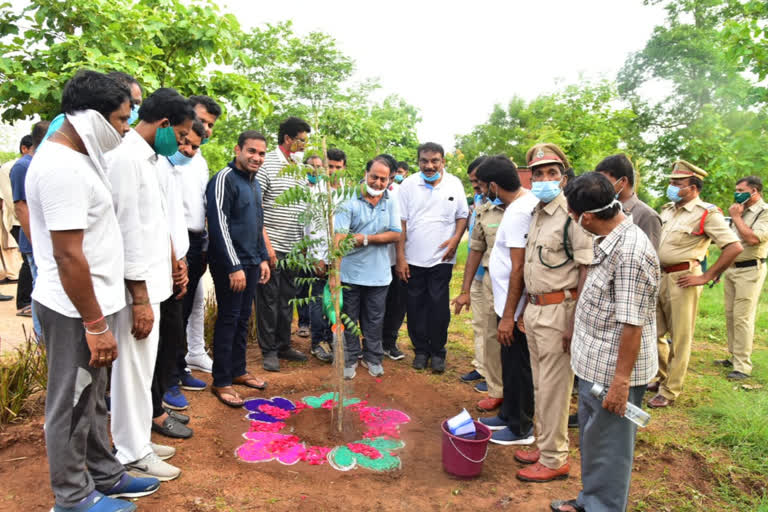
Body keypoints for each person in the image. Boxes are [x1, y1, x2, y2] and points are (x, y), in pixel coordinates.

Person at [27, 69, 160, 512]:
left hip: (93, 305)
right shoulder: (61, 167)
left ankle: (104, 473)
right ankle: (72, 497)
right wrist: (95, 323)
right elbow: (69, 256)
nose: (126, 128)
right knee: (71, 400)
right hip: (73, 310)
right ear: (93, 117)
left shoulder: (82, 157)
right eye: (122, 119)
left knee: (93, 397)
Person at [550, 172, 659, 512]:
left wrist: (621, 383)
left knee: (611, 449)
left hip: (613, 374)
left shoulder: (630, 253)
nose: (572, 219)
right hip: (594, 365)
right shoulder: (610, 239)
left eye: (572, 214)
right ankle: (590, 501)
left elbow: (632, 324)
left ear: (588, 217)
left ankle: (603, 507)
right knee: (595, 442)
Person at [107, 88, 196, 481]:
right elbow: (126, 232)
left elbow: (154, 225)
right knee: (130, 374)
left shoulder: (149, 160)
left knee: (143, 373)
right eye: (179, 135)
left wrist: (172, 263)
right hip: (134, 293)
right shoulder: (126, 159)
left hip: (154, 286)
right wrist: (140, 298)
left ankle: (139, 440)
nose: (180, 143)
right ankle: (130, 452)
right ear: (163, 125)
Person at [513, 143, 593, 483]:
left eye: (552, 173)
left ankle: (555, 457)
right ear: (530, 178)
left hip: (561, 310)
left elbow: (586, 269)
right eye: (539, 173)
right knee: (540, 386)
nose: (545, 178)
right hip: (535, 309)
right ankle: (544, 446)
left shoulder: (572, 215)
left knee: (555, 389)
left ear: (563, 178)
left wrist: (575, 323)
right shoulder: (536, 212)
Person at [650, 160, 742, 408]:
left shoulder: (706, 213)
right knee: (654, 332)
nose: (672, 186)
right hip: (659, 276)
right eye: (671, 182)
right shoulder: (667, 210)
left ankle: (670, 390)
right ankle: (659, 375)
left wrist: (707, 275)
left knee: (680, 336)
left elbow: (733, 246)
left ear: (693, 187)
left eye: (677, 183)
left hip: (683, 280)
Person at [469, 156, 539, 447]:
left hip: (515, 308)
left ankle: (522, 427)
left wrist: (510, 315)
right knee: (508, 364)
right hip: (505, 305)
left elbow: (519, 267)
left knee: (519, 367)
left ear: (495, 185)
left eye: (484, 186)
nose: (483, 192)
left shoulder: (521, 211)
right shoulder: (515, 207)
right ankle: (508, 414)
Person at [206, 130, 271, 406]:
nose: (256, 157)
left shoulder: (254, 183)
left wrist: (262, 258)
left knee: (244, 318)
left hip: (251, 262)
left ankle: (238, 370)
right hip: (230, 265)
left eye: (261, 153)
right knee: (229, 318)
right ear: (238, 150)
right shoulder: (224, 179)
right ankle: (221, 381)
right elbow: (218, 224)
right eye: (252, 151)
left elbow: (257, 224)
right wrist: (234, 265)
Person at [397, 142, 469, 373]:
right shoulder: (408, 185)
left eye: (434, 160)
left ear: (442, 162)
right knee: (415, 306)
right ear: (418, 162)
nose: (429, 166)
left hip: (442, 258)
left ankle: (438, 352)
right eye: (424, 161)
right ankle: (420, 351)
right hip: (413, 258)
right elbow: (401, 223)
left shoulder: (454, 184)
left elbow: (462, 216)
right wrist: (401, 257)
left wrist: (456, 239)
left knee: (438, 307)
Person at [155, 120, 207, 414]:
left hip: (187, 250)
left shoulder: (191, 166)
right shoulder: (157, 165)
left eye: (194, 146)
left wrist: (185, 257)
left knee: (180, 319)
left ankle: (176, 373)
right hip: (167, 255)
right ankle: (166, 385)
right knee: (168, 323)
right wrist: (175, 257)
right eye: (184, 142)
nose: (187, 150)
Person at [335, 156, 401, 379]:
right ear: (365, 174)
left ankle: (373, 357)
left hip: (379, 274)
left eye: (383, 179)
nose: (378, 183)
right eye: (374, 177)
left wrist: (364, 238)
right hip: (350, 272)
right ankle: (351, 358)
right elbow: (341, 238)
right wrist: (373, 238)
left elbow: (395, 233)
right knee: (349, 318)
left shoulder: (390, 201)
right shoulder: (347, 200)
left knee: (374, 318)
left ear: (389, 180)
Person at [256, 116, 312, 372]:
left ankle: (283, 344)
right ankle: (268, 351)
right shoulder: (267, 164)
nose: (304, 145)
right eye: (301, 140)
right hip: (272, 246)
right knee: (268, 300)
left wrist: (302, 243)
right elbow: (257, 209)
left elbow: (302, 207)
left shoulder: (299, 167)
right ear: (288, 139)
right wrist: (266, 248)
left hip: (293, 248)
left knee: (288, 299)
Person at [452, 156, 507, 412]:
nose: (476, 187)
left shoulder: (514, 207)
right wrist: (464, 289)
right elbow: (476, 246)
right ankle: (485, 371)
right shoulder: (480, 203)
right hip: (481, 277)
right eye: (473, 182)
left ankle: (499, 383)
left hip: (505, 283)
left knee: (499, 334)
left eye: (480, 182)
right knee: (483, 328)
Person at [183, 95, 222, 374]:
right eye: (202, 120)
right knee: (178, 308)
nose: (206, 128)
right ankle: (173, 369)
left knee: (196, 302)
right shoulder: (172, 155)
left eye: (210, 125)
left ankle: (194, 352)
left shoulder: (200, 159)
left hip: (197, 239)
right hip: (177, 241)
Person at [715, 176, 768, 380]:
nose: (737, 193)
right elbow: (730, 242)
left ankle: (743, 367)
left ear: (754, 191)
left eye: (741, 190)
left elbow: (753, 239)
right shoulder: (740, 209)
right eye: (735, 189)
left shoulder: (764, 212)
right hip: (733, 268)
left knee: (743, 317)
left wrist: (736, 217)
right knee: (730, 314)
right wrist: (720, 268)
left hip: (750, 270)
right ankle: (733, 356)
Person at [306, 148, 347, 363]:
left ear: (344, 168)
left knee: (338, 299)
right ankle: (318, 341)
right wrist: (317, 257)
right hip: (320, 254)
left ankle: (334, 337)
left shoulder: (348, 193)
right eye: (329, 166)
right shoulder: (316, 192)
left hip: (341, 257)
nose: (333, 171)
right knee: (318, 299)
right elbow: (311, 227)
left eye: (337, 167)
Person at [11, 121, 51, 330]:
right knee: (39, 288)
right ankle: (40, 338)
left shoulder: (40, 163)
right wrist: (36, 242)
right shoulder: (22, 166)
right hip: (33, 241)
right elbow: (20, 207)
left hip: (44, 240)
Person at [595, 153, 661, 250]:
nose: (599, 186)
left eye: (604, 182)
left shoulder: (647, 216)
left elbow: (649, 257)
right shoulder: (603, 208)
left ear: (623, 181)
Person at [294, 154, 324, 340]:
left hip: (319, 247)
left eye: (319, 167)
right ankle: (303, 323)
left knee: (318, 287)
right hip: (301, 245)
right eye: (311, 166)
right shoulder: (298, 188)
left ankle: (318, 324)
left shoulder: (325, 189)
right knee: (301, 288)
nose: (315, 170)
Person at [0, 138, 26, 285]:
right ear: (24, 148)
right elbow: (9, 197)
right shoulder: (10, 168)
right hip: (17, 218)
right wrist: (20, 216)